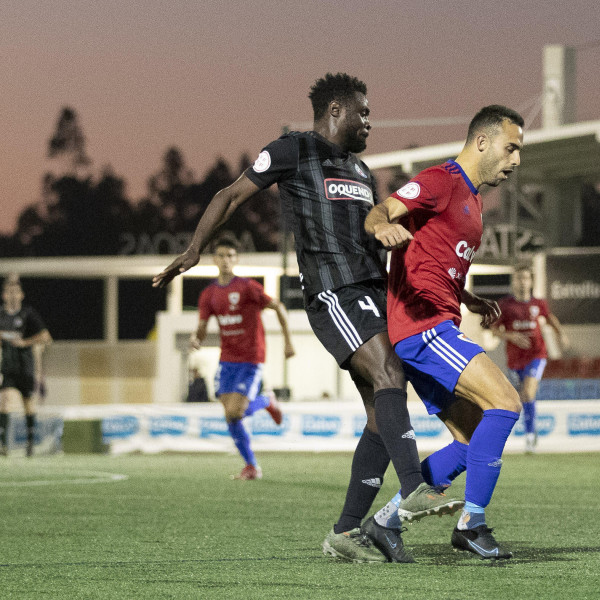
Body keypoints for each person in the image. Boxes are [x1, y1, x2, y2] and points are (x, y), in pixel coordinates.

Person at [153, 73, 460, 563]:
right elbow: (229, 196)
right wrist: (194, 251)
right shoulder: (293, 150)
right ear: (336, 109)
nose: (369, 122)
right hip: (333, 292)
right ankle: (414, 488)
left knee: (381, 415)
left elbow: (377, 233)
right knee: (390, 373)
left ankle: (344, 532)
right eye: (363, 112)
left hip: (373, 292)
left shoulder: (361, 171)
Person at [365, 104, 525, 560]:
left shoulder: (474, 201)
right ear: (482, 142)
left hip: (437, 323)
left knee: (471, 438)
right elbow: (382, 209)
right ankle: (472, 525)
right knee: (506, 402)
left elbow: (440, 262)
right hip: (423, 328)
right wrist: (382, 227)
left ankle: (385, 522)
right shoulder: (442, 180)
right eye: (510, 148)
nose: (516, 160)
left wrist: (468, 299)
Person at [192, 236, 295, 479]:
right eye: (221, 255)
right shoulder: (209, 294)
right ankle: (251, 466)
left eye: (230, 255)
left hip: (251, 357)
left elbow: (278, 306)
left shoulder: (248, 287)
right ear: (214, 260)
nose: (225, 260)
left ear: (236, 259)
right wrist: (196, 338)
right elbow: (203, 325)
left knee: (235, 413)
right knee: (230, 416)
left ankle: (267, 401)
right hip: (227, 359)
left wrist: (288, 341)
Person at [491, 264, 568, 453]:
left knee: (528, 392)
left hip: (537, 355)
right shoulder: (505, 305)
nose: (522, 282)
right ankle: (530, 432)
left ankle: (530, 436)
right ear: (513, 282)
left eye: (525, 278)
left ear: (531, 281)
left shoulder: (538, 303)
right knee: (521, 398)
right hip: (515, 359)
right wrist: (510, 336)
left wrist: (561, 334)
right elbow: (494, 329)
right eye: (519, 278)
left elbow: (550, 318)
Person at [0, 275, 52, 457]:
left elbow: (46, 336)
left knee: (28, 404)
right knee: (4, 401)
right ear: (4, 295)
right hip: (8, 367)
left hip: (25, 367)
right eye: (9, 292)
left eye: (16, 292)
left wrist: (25, 342)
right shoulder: (1, 315)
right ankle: (3, 444)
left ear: (22, 295)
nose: (13, 295)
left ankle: (30, 443)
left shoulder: (28, 314)